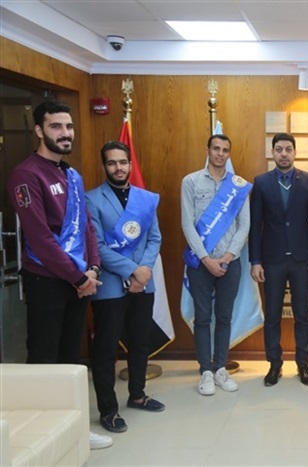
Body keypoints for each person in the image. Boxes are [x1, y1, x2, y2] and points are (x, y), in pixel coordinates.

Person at [5, 99, 113, 450]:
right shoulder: (26, 175)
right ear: (39, 130)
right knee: (44, 359)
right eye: (56, 126)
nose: (65, 133)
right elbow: (40, 237)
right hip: (47, 282)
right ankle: (39, 438)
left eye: (68, 127)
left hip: (78, 281)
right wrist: (79, 278)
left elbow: (87, 229)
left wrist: (92, 268)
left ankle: (74, 429)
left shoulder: (72, 174)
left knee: (70, 360)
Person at [85, 141, 165, 433]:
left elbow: (154, 238)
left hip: (143, 284)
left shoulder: (145, 199)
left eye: (122, 162)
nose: (118, 168)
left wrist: (142, 272)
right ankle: (108, 410)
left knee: (140, 342)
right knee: (106, 349)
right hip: (109, 287)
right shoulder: (92, 199)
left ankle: (138, 395)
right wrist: (132, 271)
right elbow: (97, 246)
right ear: (104, 166)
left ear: (130, 164)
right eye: (112, 163)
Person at [249, 133, 308, 387]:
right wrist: (255, 261)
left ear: (295, 152)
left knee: (302, 315)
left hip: (302, 260)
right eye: (279, 149)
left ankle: (303, 364)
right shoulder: (261, 183)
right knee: (272, 315)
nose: (284, 154)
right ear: (272, 152)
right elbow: (255, 225)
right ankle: (274, 364)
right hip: (272, 260)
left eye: (288, 149)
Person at [181, 134, 251, 395]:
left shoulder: (238, 186)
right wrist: (206, 259)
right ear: (208, 150)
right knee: (202, 318)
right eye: (216, 149)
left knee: (224, 317)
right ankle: (206, 371)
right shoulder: (190, 181)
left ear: (229, 154)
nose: (220, 154)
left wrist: (229, 256)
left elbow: (245, 225)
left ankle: (220, 367)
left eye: (225, 150)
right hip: (200, 263)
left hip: (230, 262)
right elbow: (187, 223)